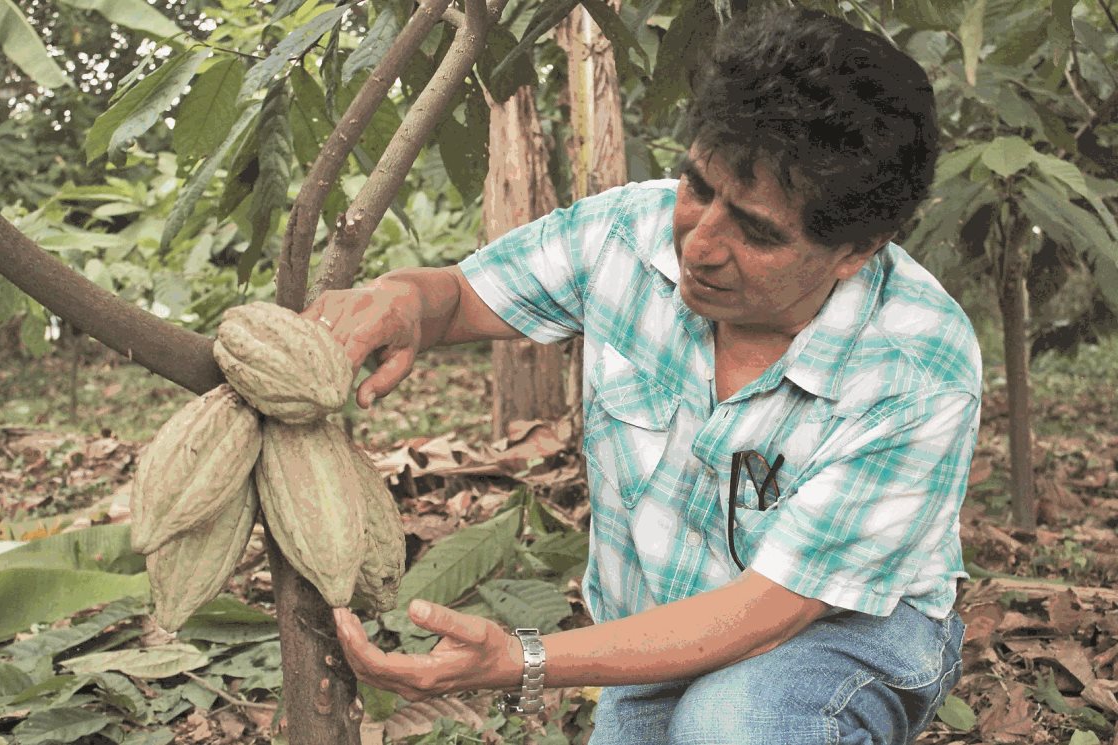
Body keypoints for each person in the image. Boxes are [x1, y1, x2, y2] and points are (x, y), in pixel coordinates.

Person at [307, 7, 981, 743]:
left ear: (855, 250)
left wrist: (520, 660)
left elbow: (764, 613)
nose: (700, 243)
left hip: (849, 633)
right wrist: (400, 302)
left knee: (731, 724)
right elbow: (462, 296)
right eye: (697, 187)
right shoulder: (626, 234)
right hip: (660, 633)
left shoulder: (915, 365)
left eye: (755, 231)